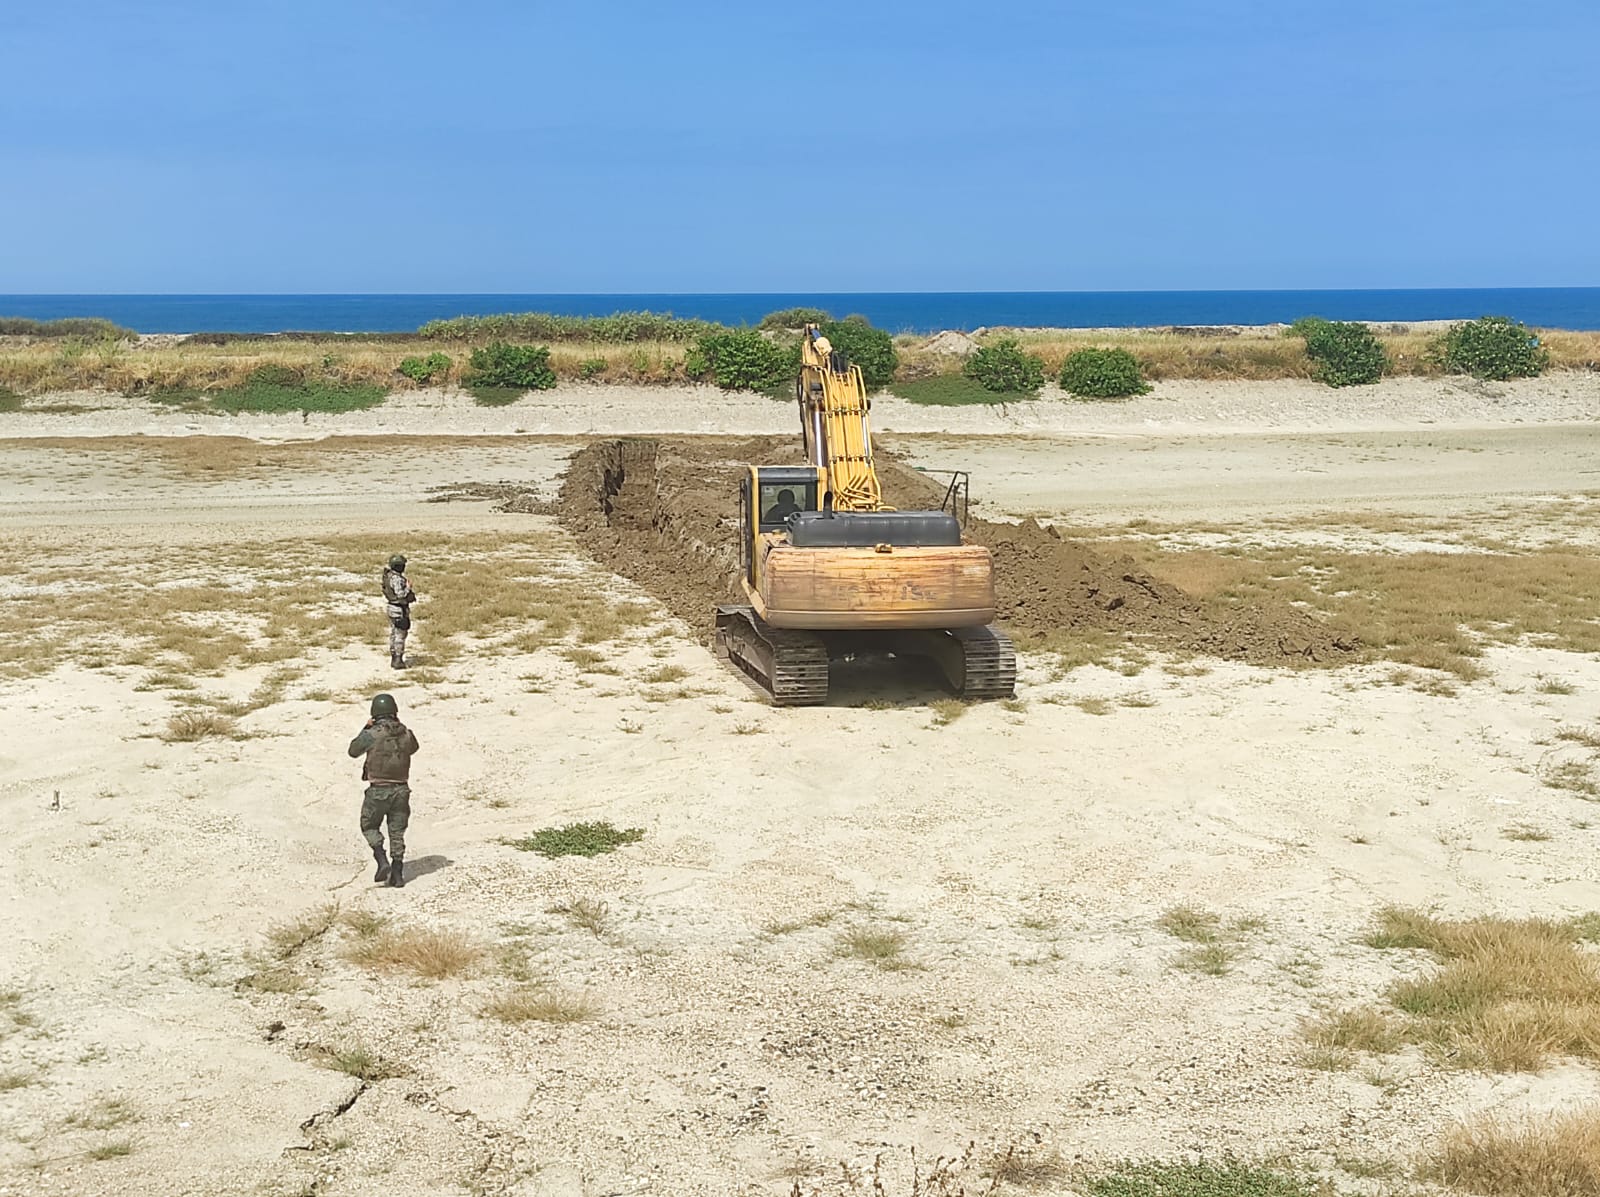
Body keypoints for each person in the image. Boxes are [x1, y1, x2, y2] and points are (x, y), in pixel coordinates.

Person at [348, 692, 420, 888]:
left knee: (369, 826)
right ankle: (397, 873)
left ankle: (381, 860)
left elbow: (353, 750)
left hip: (378, 789)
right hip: (401, 790)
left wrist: (366, 727)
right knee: (397, 832)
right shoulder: (406, 733)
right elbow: (414, 747)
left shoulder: (372, 734)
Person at [381, 554, 417, 669]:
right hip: (398, 609)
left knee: (394, 633)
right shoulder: (396, 579)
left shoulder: (389, 576)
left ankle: (394, 657)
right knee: (400, 634)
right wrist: (408, 588)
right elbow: (400, 594)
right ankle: (398, 660)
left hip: (392, 608)